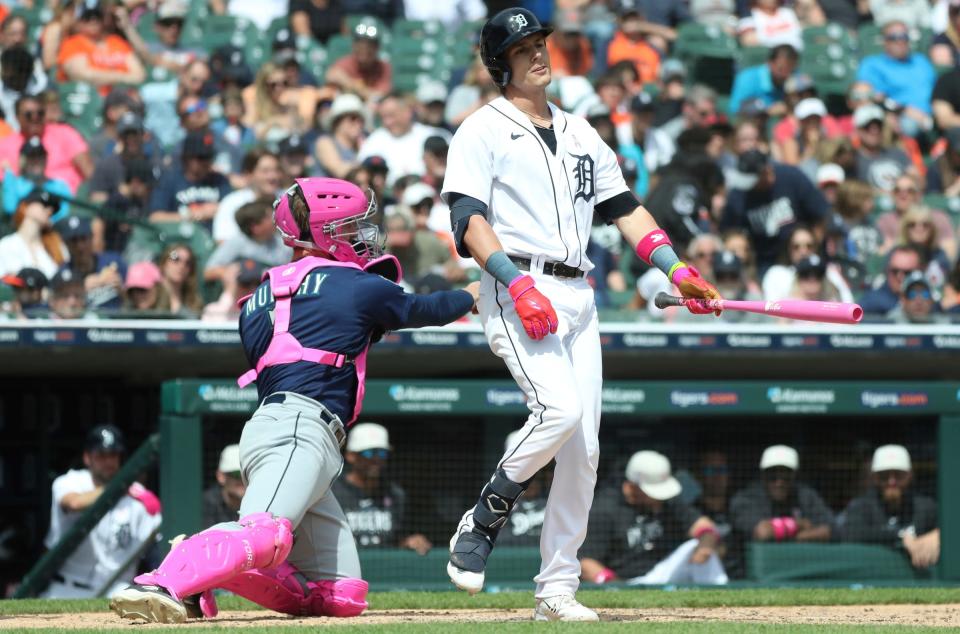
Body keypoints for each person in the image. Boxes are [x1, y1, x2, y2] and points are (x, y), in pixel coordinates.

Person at [440, 9, 721, 621]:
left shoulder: (580, 131)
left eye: (541, 43)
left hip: (577, 293)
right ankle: (487, 513)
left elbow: (626, 209)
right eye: (523, 48)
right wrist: (514, 284)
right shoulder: (480, 129)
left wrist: (676, 269)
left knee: (585, 447)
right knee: (559, 411)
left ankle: (557, 589)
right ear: (500, 62)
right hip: (517, 286)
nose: (538, 54)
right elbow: (467, 220)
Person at [110, 177, 481, 623]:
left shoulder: (256, 300)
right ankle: (170, 575)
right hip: (298, 431)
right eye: (348, 228)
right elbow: (427, 310)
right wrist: (478, 292)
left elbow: (326, 326)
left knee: (340, 595)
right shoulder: (356, 285)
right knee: (264, 536)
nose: (360, 236)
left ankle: (211, 570)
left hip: (288, 431)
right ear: (322, 232)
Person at [42, 425, 161, 598]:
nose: (108, 461)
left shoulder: (139, 496)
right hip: (66, 587)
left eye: (113, 455)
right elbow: (73, 503)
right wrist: (118, 487)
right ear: (87, 458)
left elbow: (155, 548)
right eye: (101, 455)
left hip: (117, 590)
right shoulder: (70, 482)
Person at [579, 450, 727, 585]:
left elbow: (705, 527)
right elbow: (586, 562)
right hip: (627, 581)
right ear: (632, 486)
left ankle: (722, 602)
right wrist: (618, 587)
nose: (659, 497)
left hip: (665, 574)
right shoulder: (606, 508)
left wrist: (705, 547)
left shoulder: (668, 501)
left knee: (695, 545)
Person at [728, 445, 833, 573]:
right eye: (773, 477)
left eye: (785, 477)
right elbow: (763, 533)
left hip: (798, 572)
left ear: (794, 476)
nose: (779, 482)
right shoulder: (746, 499)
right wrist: (799, 524)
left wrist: (786, 536)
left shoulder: (805, 496)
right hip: (744, 577)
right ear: (763, 475)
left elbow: (828, 531)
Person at [331, 423, 432, 554]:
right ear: (351, 455)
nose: (376, 459)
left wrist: (410, 542)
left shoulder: (395, 494)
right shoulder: (332, 493)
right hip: (343, 570)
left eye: (382, 453)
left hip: (384, 570)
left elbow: (396, 541)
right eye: (369, 453)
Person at [721, 149, 828, 271]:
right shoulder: (739, 194)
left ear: (766, 171)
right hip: (763, 261)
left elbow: (820, 216)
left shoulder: (792, 177)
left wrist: (814, 249)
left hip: (798, 252)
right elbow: (729, 232)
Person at [841, 445, 939, 569]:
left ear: (909, 476)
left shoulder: (924, 506)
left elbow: (953, 527)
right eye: (884, 476)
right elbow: (850, 534)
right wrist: (901, 538)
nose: (891, 482)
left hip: (920, 580)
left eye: (898, 475)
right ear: (874, 478)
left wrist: (939, 535)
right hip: (875, 575)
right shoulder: (861, 506)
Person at [855, 19, 935, 137]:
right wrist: (903, 110)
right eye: (894, 37)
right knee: (908, 126)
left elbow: (938, 89)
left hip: (933, 115)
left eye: (904, 37)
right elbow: (870, 96)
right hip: (901, 117)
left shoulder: (921, 61)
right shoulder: (872, 64)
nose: (900, 41)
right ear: (884, 41)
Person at [0, 94, 93, 194]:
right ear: (17, 117)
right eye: (28, 114)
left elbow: (88, 171)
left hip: (69, 201)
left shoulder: (65, 134)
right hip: (24, 203)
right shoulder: (4, 146)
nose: (35, 118)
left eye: (40, 113)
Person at [358, 93, 451, 188]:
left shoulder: (435, 135)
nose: (387, 122)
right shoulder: (373, 142)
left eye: (391, 116)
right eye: (383, 117)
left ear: (408, 112)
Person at [55, 1, 146, 96]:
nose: (93, 21)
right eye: (87, 17)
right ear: (79, 20)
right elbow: (83, 75)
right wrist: (121, 76)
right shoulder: (72, 43)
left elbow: (139, 75)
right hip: (88, 98)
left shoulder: (116, 41)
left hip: (121, 98)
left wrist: (103, 76)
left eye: (97, 16)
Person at [204, 199, 292, 296]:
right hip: (241, 300)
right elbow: (209, 272)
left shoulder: (281, 243)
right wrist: (231, 271)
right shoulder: (236, 242)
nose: (274, 219)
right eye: (268, 217)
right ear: (255, 227)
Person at [148, 131, 231, 228]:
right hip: (181, 238)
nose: (206, 162)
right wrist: (194, 214)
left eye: (209, 157)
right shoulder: (169, 181)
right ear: (186, 158)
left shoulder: (220, 180)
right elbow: (155, 218)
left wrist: (219, 209)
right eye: (201, 157)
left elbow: (232, 210)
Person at [55, 215, 126, 312]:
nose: (80, 246)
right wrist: (86, 286)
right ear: (66, 244)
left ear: (91, 238)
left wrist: (121, 288)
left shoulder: (114, 261)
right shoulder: (63, 272)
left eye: (83, 239)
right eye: (74, 241)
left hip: (115, 323)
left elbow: (135, 300)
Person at [212, 149, 282, 243]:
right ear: (248, 174)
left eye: (276, 170)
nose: (273, 176)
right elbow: (222, 241)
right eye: (265, 171)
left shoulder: (289, 199)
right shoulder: (232, 203)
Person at [0, 190, 68, 279]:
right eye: (44, 205)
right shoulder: (6, 244)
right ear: (25, 207)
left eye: (53, 210)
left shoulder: (57, 246)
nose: (49, 210)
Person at [2, 136, 71, 221]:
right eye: (31, 157)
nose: (36, 161)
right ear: (23, 161)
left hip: (54, 230)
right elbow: (10, 209)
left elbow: (65, 213)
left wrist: (47, 222)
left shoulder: (59, 185)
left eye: (40, 156)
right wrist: (8, 175)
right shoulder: (15, 184)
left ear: (45, 159)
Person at [325, 20, 392, 102]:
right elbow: (331, 75)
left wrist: (356, 88)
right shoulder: (347, 62)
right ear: (353, 46)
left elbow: (380, 96)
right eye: (360, 44)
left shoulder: (383, 68)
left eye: (369, 45)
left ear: (377, 48)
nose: (364, 48)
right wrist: (357, 88)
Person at [728, 45, 799, 118]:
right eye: (780, 69)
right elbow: (736, 110)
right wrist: (767, 112)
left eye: (790, 70)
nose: (785, 74)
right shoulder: (747, 78)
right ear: (770, 63)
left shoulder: (796, 78)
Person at [859, 245, 926, 316]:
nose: (900, 277)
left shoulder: (928, 301)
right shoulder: (871, 302)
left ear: (919, 272)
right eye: (895, 271)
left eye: (907, 272)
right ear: (887, 270)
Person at [315, 93, 366, 179]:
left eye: (360, 119)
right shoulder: (324, 142)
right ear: (337, 122)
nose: (358, 123)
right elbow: (339, 170)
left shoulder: (360, 146)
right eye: (353, 118)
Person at [202, 444, 247, 528]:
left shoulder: (258, 503)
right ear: (221, 476)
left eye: (246, 474)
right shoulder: (205, 504)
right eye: (236, 474)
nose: (242, 479)